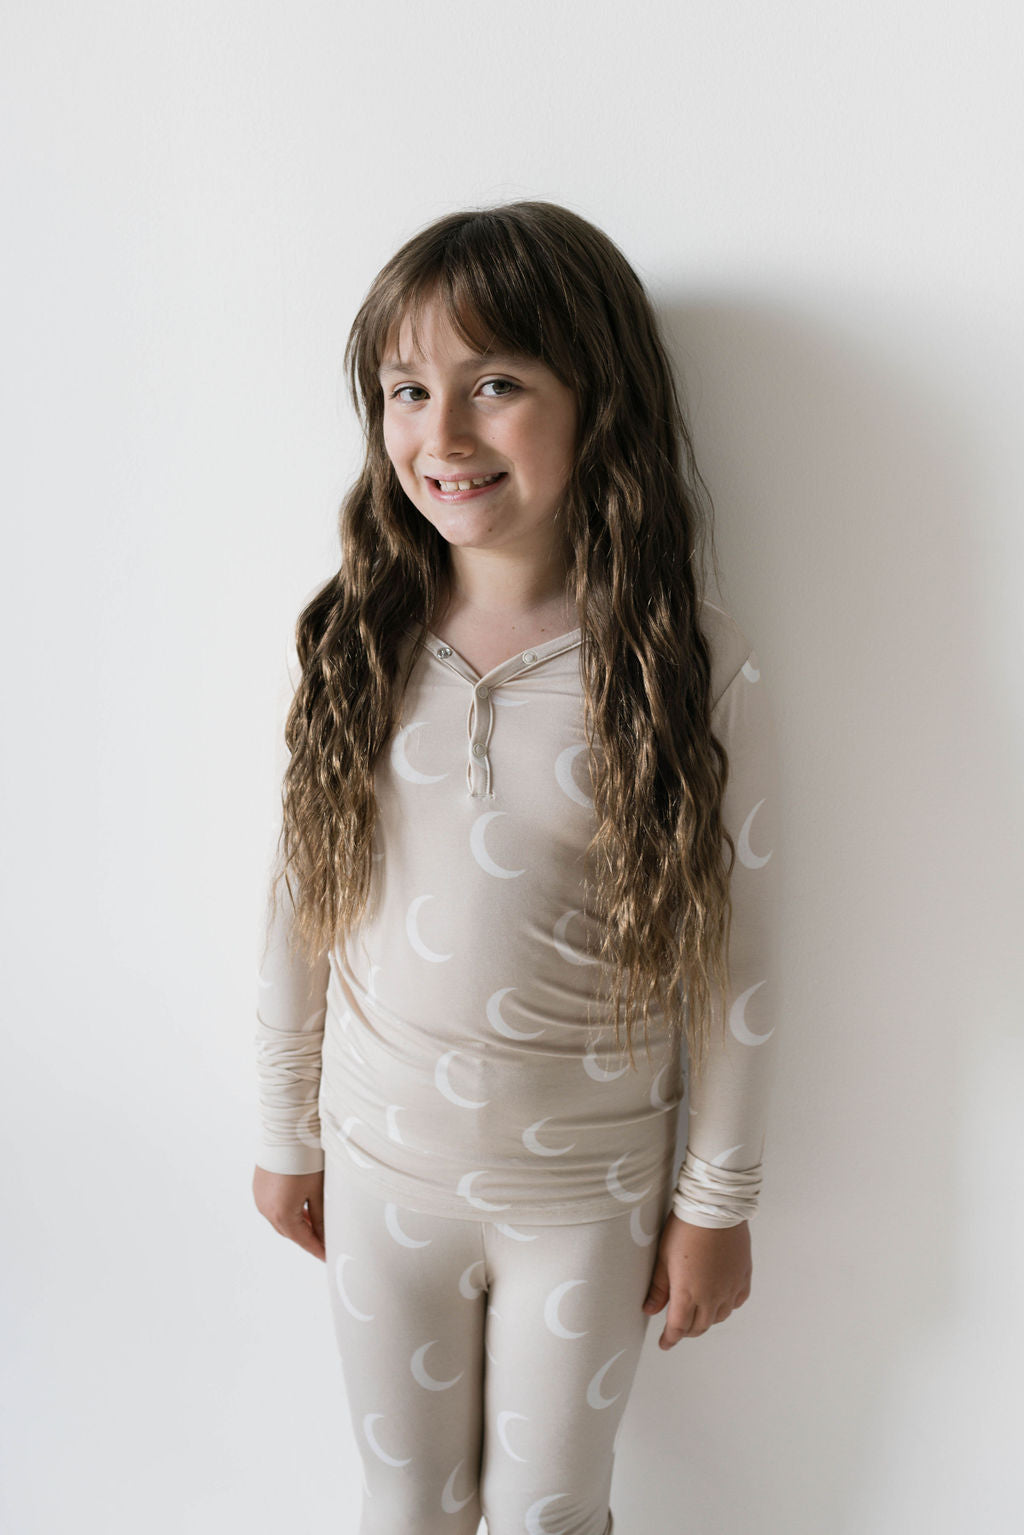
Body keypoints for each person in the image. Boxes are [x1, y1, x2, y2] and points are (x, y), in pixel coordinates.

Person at [251, 201, 780, 1535]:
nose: (444, 435)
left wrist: (715, 1202)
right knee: (407, 1506)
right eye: (408, 390)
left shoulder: (683, 662)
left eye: (497, 385)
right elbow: (299, 909)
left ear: (598, 402)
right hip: (381, 1178)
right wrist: (282, 1130)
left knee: (553, 1512)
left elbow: (739, 959)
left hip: (584, 1194)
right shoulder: (357, 638)